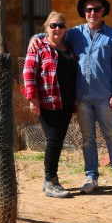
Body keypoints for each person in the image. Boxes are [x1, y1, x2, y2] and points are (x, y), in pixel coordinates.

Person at [29, 0, 112, 197]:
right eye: (88, 10)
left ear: (104, 12)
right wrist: (35, 37)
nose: (92, 13)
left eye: (97, 9)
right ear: (84, 13)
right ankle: (91, 177)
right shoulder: (75, 33)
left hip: (105, 97)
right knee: (87, 139)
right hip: (82, 97)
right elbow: (53, 34)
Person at [23, 11, 78, 198]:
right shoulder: (39, 48)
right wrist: (33, 99)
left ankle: (51, 179)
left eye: (61, 25)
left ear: (65, 29)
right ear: (46, 28)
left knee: (57, 141)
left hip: (66, 103)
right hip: (47, 102)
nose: (57, 29)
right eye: (53, 25)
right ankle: (50, 182)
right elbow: (28, 73)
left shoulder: (69, 49)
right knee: (53, 141)